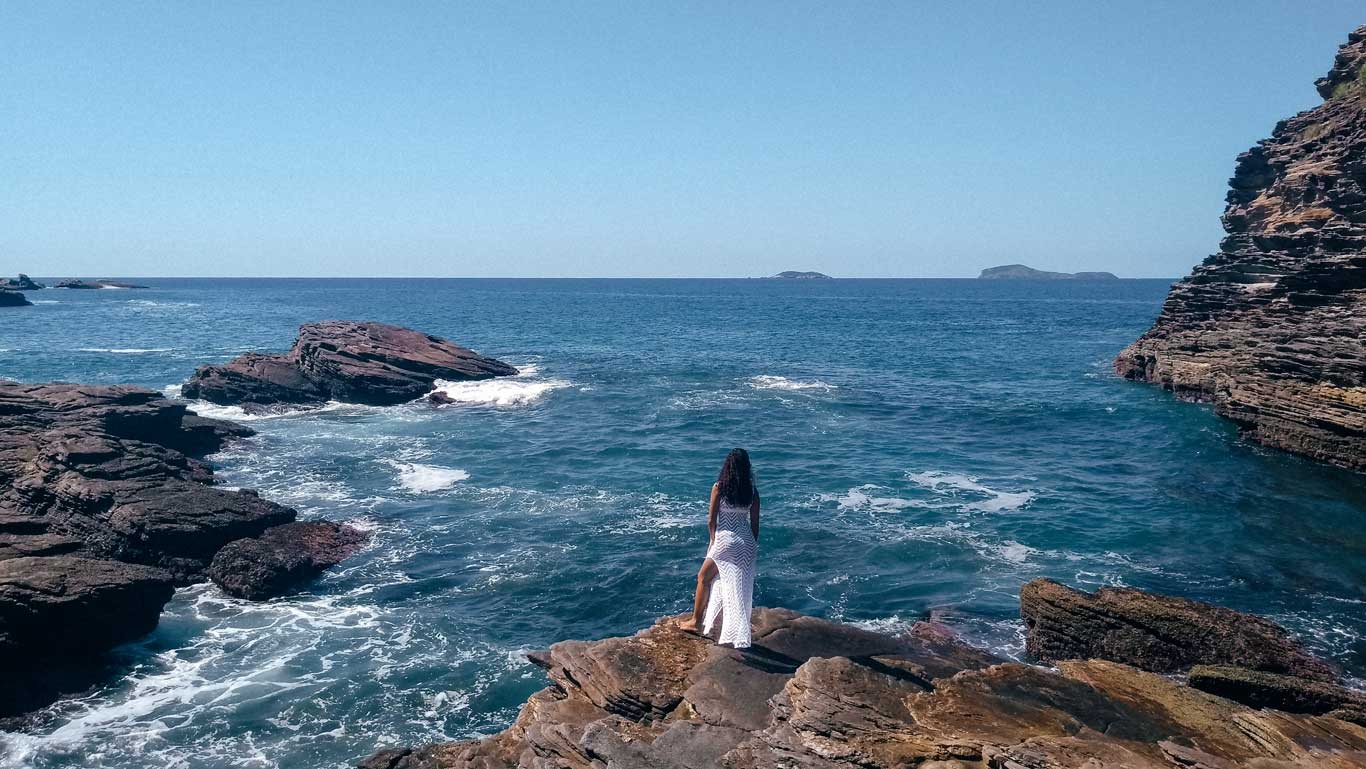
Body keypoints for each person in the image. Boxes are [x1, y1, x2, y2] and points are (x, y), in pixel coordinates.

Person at [678, 448, 759, 648]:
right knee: (739, 588)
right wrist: (751, 545)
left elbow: (711, 520)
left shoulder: (719, 488)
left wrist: (714, 541)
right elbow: (755, 523)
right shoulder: (752, 491)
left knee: (703, 578)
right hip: (747, 542)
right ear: (746, 467)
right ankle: (732, 627)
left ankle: (695, 622)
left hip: (725, 540)